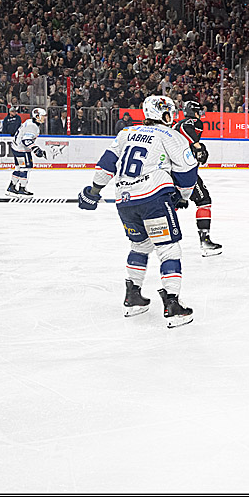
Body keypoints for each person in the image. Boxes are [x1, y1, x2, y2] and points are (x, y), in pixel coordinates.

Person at [77, 95, 199, 328]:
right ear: (163, 114)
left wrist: (93, 191)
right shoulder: (172, 136)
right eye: (170, 112)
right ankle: (173, 305)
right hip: (153, 199)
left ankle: (133, 297)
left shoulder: (126, 133)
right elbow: (187, 172)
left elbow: (106, 164)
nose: (172, 116)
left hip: (124, 201)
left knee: (140, 246)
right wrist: (182, 196)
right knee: (168, 248)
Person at [175, 100, 222, 256]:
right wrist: (197, 145)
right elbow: (185, 128)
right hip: (184, 171)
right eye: (198, 111)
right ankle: (205, 241)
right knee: (204, 201)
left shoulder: (174, 126)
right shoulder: (192, 122)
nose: (200, 114)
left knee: (171, 202)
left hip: (170, 170)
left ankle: (156, 236)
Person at [6, 108, 47, 196]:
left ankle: (11, 187)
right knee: (25, 168)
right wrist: (36, 149)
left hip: (16, 148)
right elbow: (26, 140)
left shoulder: (29, 122)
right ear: (37, 116)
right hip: (22, 150)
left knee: (18, 168)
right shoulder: (33, 126)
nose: (45, 118)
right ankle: (22, 189)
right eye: (43, 116)